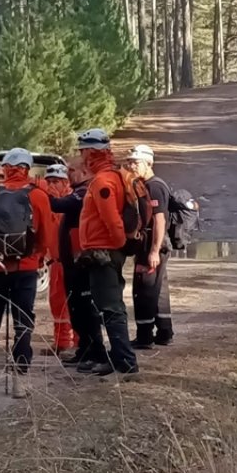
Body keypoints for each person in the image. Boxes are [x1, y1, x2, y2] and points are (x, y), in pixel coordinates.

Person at [0, 148, 54, 398]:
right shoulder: (38, 196)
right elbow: (46, 236)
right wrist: (36, 256)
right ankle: (20, 382)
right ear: (27, 169)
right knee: (23, 325)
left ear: (5, 168)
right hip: (26, 269)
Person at [76, 129, 139, 376]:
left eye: (82, 151)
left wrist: (117, 244)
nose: (80, 157)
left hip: (104, 252)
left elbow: (112, 220)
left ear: (91, 152)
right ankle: (119, 358)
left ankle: (125, 361)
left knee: (110, 308)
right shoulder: (112, 177)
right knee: (109, 306)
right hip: (107, 251)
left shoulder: (103, 181)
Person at [48, 157, 110, 374]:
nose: (68, 174)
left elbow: (58, 204)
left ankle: (97, 352)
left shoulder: (83, 193)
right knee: (76, 309)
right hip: (71, 261)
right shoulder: (79, 192)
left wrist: (36, 192)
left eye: (72, 170)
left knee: (86, 309)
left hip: (81, 262)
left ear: (85, 172)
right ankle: (84, 350)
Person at [125, 145, 174, 348]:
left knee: (144, 289)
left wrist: (154, 250)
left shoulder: (154, 186)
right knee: (158, 289)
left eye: (135, 162)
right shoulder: (144, 185)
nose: (131, 166)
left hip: (153, 247)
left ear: (148, 163)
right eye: (130, 162)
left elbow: (159, 220)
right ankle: (165, 332)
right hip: (151, 245)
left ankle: (145, 337)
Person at [42, 164, 75, 358]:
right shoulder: (47, 203)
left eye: (56, 181)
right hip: (55, 261)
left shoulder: (72, 201)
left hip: (71, 261)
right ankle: (61, 342)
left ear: (65, 182)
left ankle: (80, 342)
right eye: (49, 181)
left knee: (76, 303)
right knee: (57, 303)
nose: (52, 185)